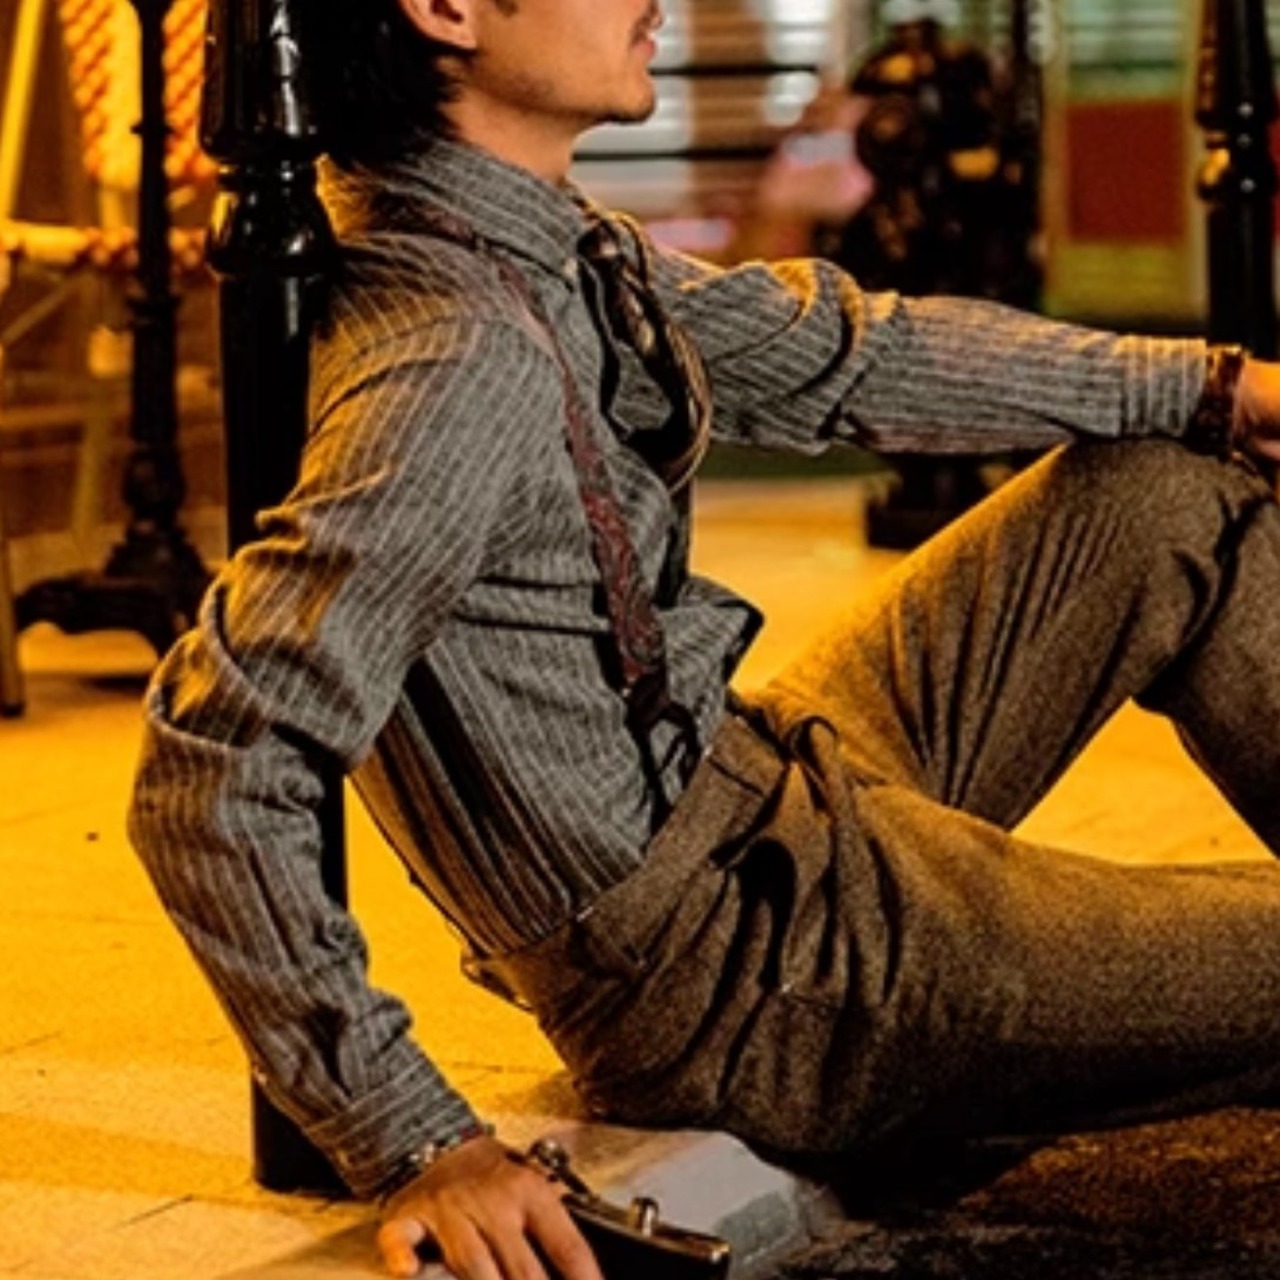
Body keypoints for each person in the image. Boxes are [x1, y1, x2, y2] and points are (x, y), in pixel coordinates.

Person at [128, 1, 1280, 1278]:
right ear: (445, 9)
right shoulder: (451, 350)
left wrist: (1211, 385)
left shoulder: (529, 240)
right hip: (754, 979)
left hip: (772, 792)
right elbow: (214, 761)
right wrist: (411, 1136)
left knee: (1171, 490)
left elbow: (843, 356)